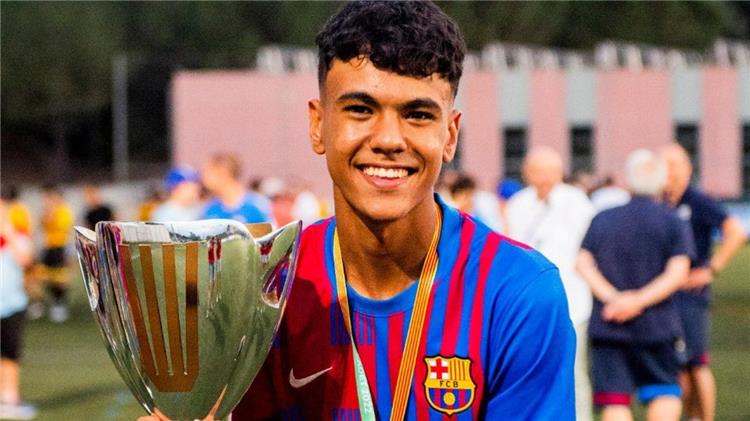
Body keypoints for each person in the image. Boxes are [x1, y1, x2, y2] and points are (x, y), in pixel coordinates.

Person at [142, 2, 575, 420]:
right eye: (360, 110)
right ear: (318, 125)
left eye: (418, 114)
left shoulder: (517, 293)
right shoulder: (263, 288)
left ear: (450, 135)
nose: (388, 139)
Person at [576, 149, 693, 421]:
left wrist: (614, 299)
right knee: (664, 392)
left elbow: (582, 263)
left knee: (614, 401)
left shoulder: (603, 218)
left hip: (609, 324)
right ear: (662, 181)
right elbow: (677, 272)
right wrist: (638, 300)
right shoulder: (672, 220)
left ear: (628, 180)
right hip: (657, 324)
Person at [506, 145, 595, 421]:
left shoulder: (576, 202)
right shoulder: (518, 204)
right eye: (538, 171)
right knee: (528, 370)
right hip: (528, 304)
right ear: (527, 173)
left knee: (573, 371)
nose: (545, 177)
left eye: (550, 171)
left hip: (572, 301)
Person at [660, 143, 748, 421]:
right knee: (678, 366)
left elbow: (735, 231)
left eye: (673, 165)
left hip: (691, 295)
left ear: (687, 169)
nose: (668, 172)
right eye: (664, 166)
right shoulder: (660, 202)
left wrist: (711, 268)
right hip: (665, 293)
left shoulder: (697, 201)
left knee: (697, 363)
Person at [0, 197, 38, 420]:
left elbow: (26, 260)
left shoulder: (18, 237)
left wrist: (9, 233)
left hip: (12, 305)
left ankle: (10, 398)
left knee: (11, 354)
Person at [32, 184, 74, 323]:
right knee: (44, 276)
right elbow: (40, 225)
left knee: (60, 278)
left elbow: (62, 227)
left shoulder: (64, 210)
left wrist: (51, 212)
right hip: (48, 247)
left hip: (60, 247)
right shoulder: (46, 210)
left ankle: (60, 303)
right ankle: (43, 303)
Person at [201, 153, 271, 224]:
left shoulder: (256, 204)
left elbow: (270, 229)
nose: (203, 178)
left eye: (208, 173)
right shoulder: (211, 209)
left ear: (223, 173)